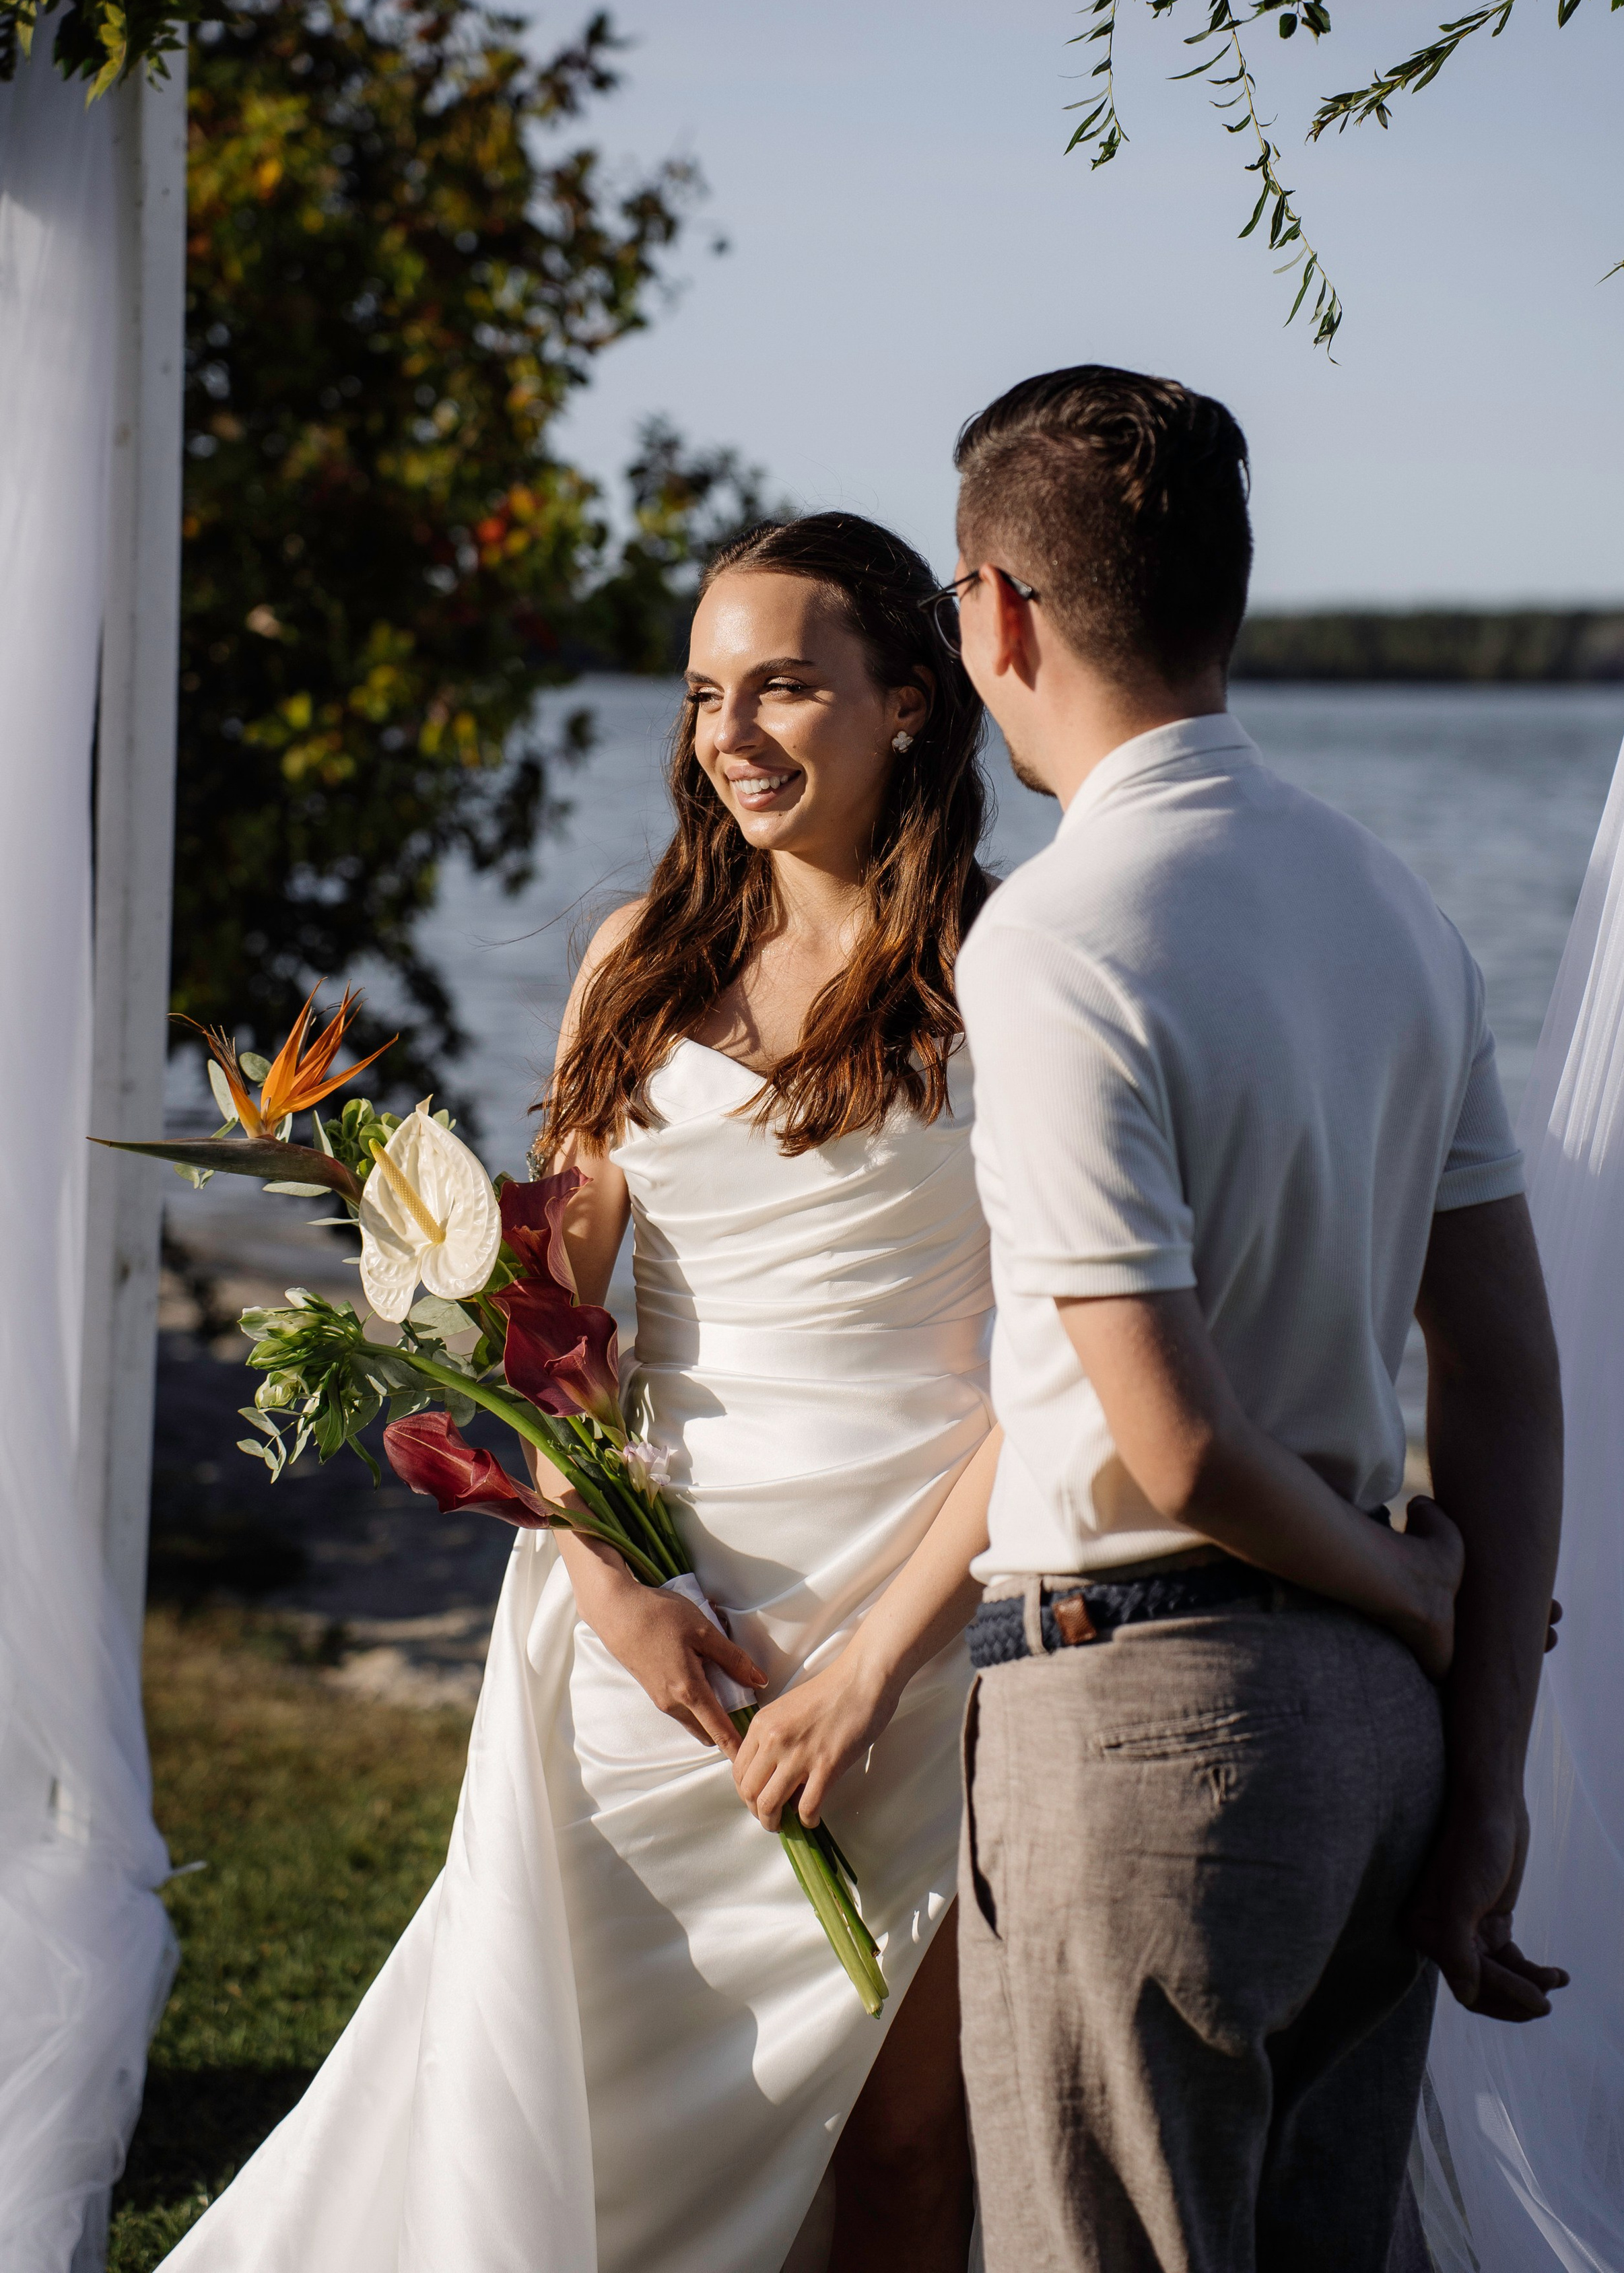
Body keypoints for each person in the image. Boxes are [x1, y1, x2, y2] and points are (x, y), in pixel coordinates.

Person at [157, 514, 999, 2273]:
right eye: (706, 694)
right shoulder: (644, 959)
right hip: (652, 1601)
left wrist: (874, 1670)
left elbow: (1058, 1372)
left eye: (786, 684)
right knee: (586, 2093)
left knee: (909, 2141)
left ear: (911, 698)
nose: (736, 734)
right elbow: (546, 1307)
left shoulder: (1011, 975)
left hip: (916, 1617)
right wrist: (608, 1576)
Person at [941, 368, 1567, 2273]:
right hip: (1376, 1750)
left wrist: (1408, 1594)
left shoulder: (1056, 940)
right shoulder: (1397, 909)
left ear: (998, 616)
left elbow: (1177, 1440)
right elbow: (1508, 1373)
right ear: (1228, 595)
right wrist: (1481, 1765)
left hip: (1143, 1727)